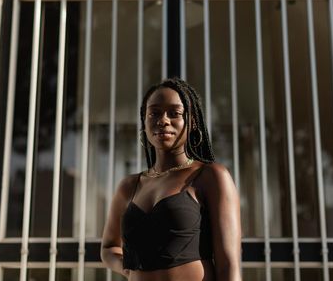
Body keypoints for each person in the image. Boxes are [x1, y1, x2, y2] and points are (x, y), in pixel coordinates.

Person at [101, 78, 242, 281]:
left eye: (174, 113)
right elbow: (108, 248)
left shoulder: (210, 176)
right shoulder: (129, 186)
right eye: (154, 113)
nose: (163, 120)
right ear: (144, 121)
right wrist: (128, 268)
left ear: (192, 121)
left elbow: (229, 265)